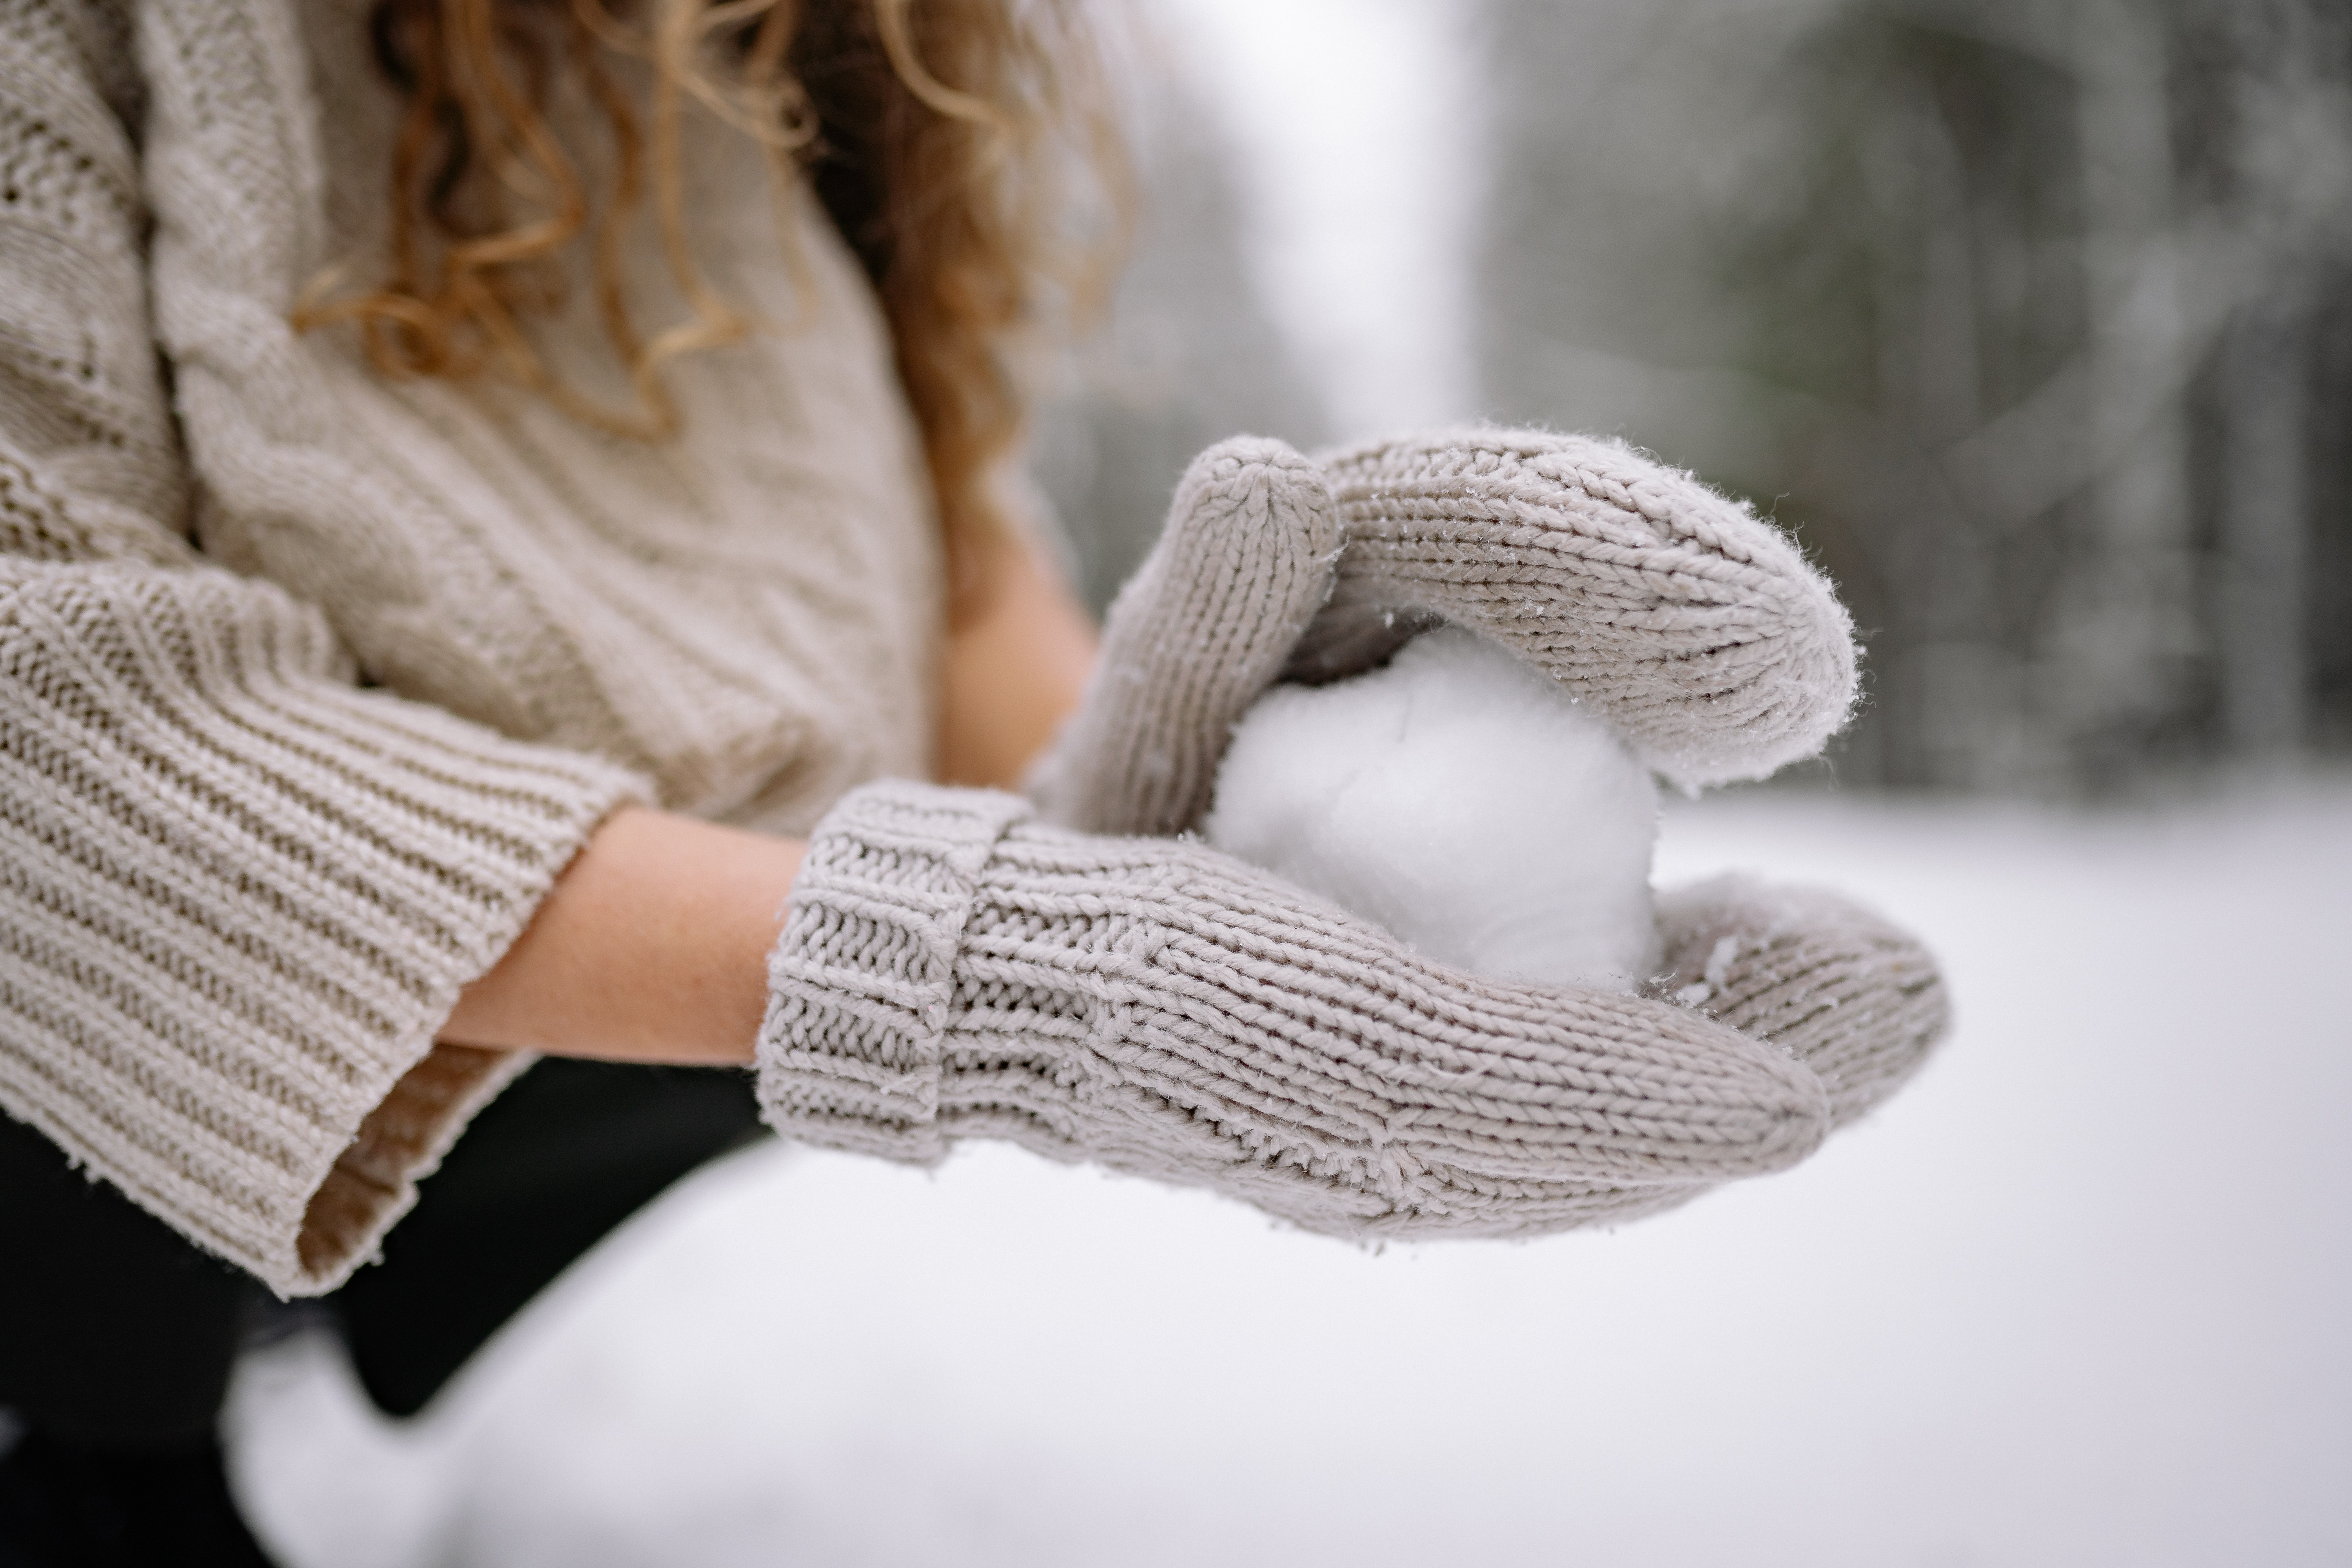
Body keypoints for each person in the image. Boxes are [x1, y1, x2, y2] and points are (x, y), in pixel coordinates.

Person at [0, 0, 1949, 1559]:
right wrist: (987, 977)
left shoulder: (814, 65)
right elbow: (54, 726)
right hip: (97, 1206)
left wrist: (1197, 797)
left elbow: (960, 607)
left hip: (515, 1175)